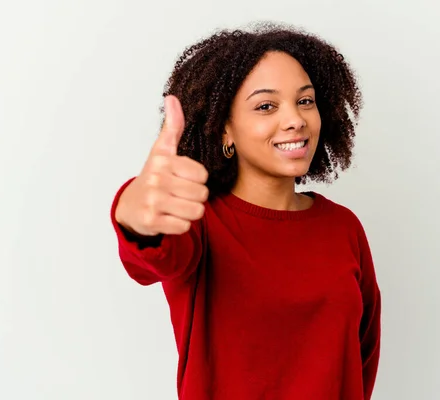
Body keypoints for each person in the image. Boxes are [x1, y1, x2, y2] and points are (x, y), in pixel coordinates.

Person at [110, 22, 382, 400]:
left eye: (305, 100)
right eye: (266, 106)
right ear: (225, 129)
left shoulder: (343, 227)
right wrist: (133, 209)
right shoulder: (198, 222)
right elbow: (150, 255)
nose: (295, 119)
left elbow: (362, 356)